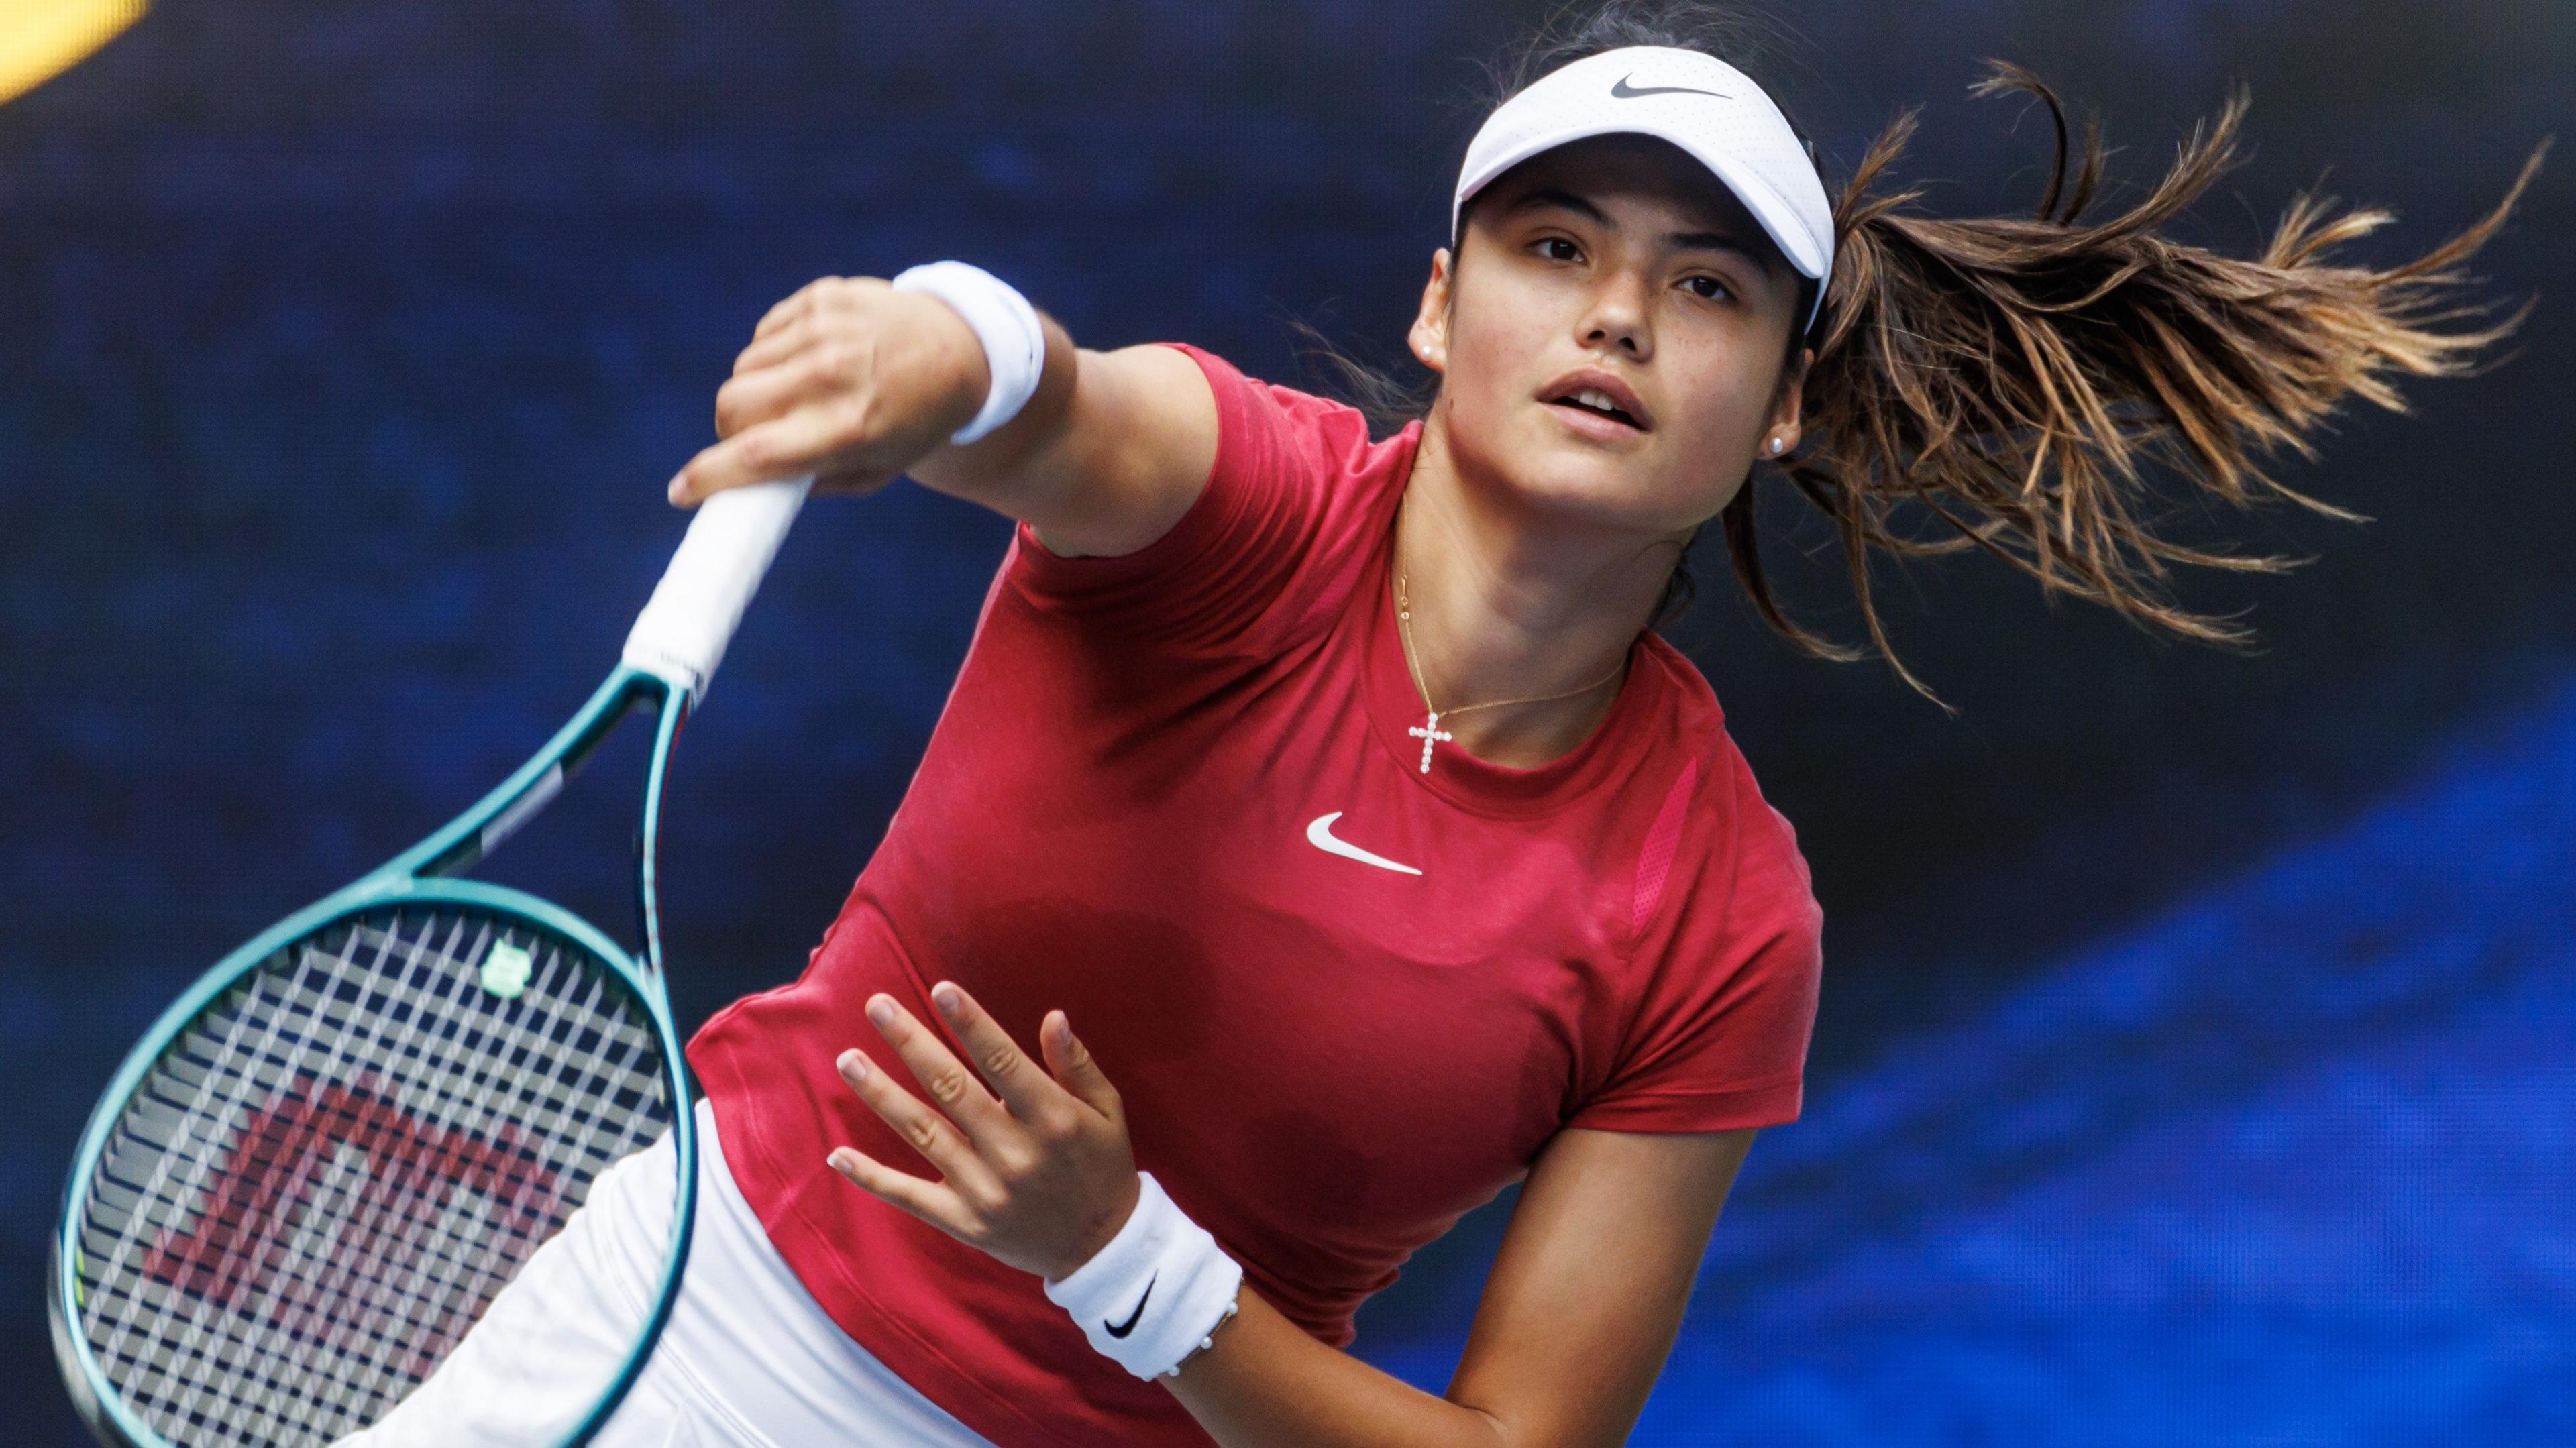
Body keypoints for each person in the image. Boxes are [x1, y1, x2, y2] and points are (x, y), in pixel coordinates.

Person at [350, 3, 2536, 1445]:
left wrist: (1125, 1264)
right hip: (668, 1336)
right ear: (1440, 304)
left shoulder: (1717, 910)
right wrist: (931, 354)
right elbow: (1056, 391)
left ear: (1781, 403)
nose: (1614, 310)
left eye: (1704, 287)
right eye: (1557, 244)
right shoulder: (1253, 509)